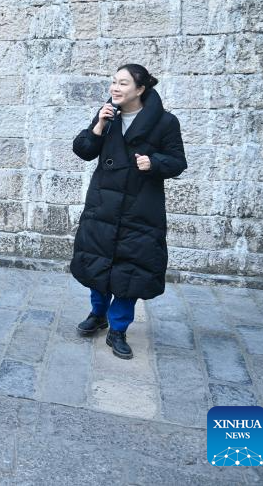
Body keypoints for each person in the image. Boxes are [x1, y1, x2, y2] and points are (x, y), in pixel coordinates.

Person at [71, 64, 187, 360]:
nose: (115, 88)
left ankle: (118, 329)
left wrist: (155, 163)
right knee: (97, 263)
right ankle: (98, 314)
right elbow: (83, 150)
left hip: (140, 209)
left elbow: (178, 162)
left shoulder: (165, 122)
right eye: (113, 82)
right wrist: (98, 125)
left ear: (140, 88)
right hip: (103, 205)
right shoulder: (108, 115)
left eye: (123, 83)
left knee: (130, 270)